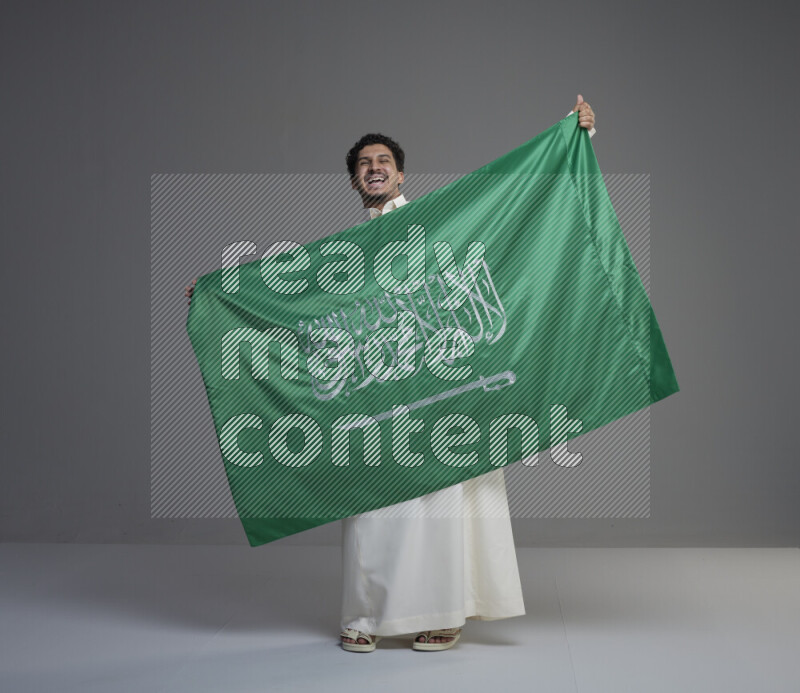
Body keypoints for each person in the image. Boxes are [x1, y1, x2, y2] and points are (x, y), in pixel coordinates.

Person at [185, 95, 596, 653]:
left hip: (444, 385)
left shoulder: (440, 226)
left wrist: (578, 140)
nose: (373, 168)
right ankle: (366, 616)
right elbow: (293, 297)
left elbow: (519, 206)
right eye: (363, 164)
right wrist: (220, 295)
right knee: (374, 504)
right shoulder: (346, 257)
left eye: (382, 161)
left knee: (444, 505)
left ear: (400, 174)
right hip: (378, 391)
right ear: (355, 182)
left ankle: (444, 615)